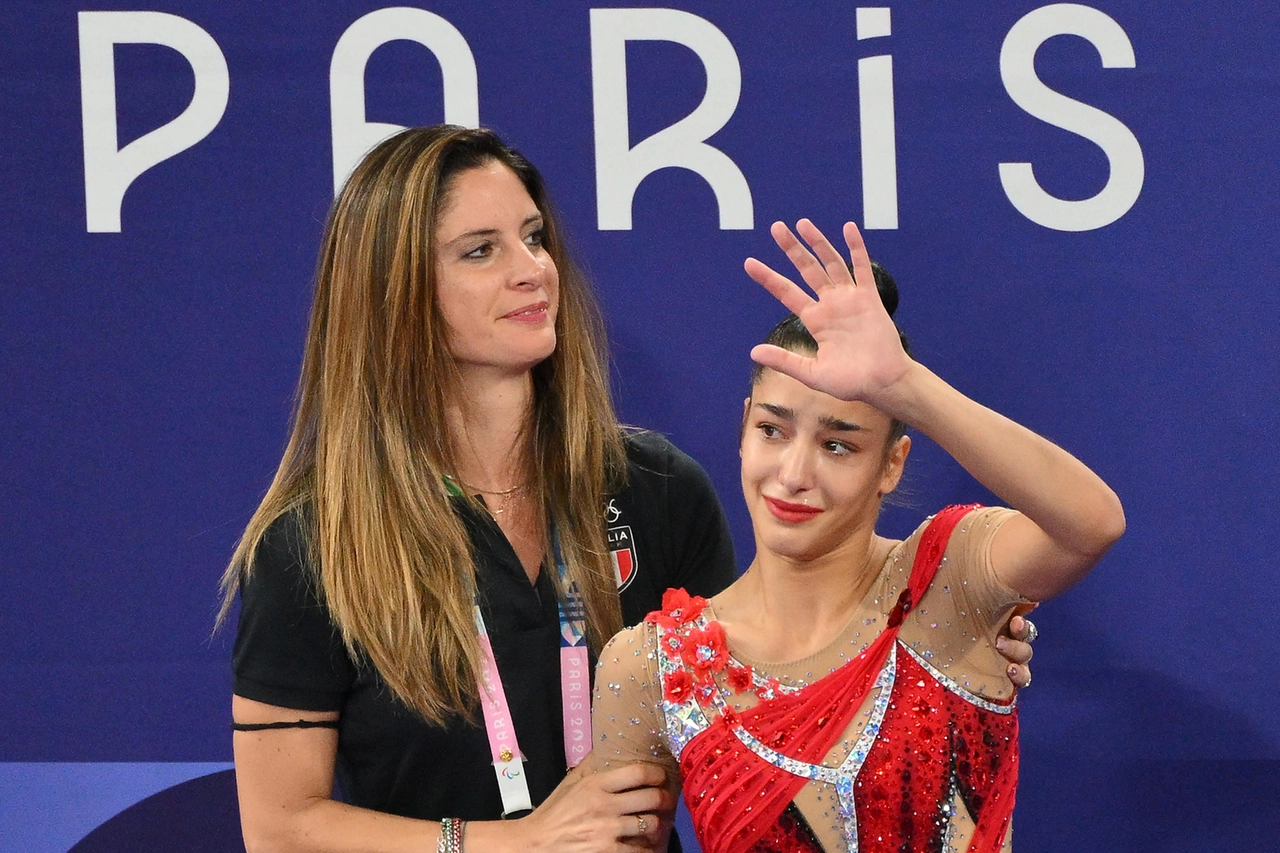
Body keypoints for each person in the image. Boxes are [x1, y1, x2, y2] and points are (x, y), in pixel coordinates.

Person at [219, 125, 1035, 853]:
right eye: (481, 250)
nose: (533, 268)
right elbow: (282, 825)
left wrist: (938, 630)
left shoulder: (653, 485)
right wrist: (516, 843)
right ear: (395, 295)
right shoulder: (314, 545)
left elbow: (773, 672)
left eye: (533, 237)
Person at [587, 219, 1124, 852]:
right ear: (742, 429)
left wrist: (905, 388)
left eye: (838, 444)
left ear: (891, 464)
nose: (793, 474)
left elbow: (1091, 523)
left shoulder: (947, 583)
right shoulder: (653, 664)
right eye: (773, 430)